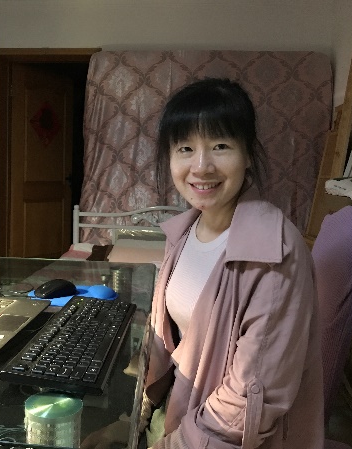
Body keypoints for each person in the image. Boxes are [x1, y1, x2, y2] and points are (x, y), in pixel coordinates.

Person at [81, 78, 323, 449]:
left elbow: (244, 409)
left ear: (248, 154)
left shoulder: (274, 255)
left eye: (220, 146)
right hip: (176, 415)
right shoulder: (184, 233)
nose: (201, 166)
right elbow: (166, 347)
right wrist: (132, 421)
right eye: (185, 148)